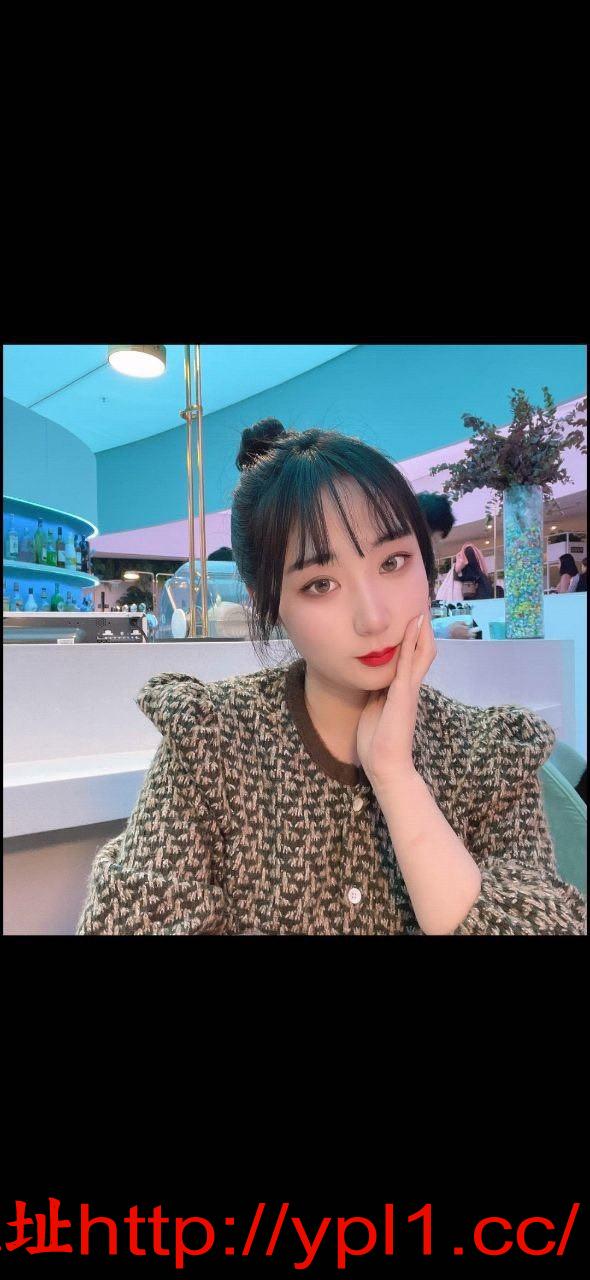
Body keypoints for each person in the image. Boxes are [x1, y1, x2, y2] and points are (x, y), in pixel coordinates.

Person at [76, 419, 586, 936]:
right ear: (267, 602)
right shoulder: (211, 740)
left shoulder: (489, 756)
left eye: (393, 562)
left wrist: (396, 778)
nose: (373, 618)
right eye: (320, 584)